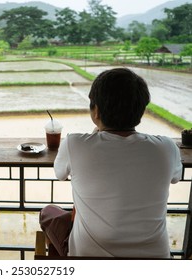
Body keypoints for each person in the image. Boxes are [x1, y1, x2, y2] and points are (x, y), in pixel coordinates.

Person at [39, 68, 182, 258]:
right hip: (155, 260)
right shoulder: (167, 147)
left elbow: (60, 174)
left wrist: (96, 133)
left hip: (89, 257)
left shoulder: (75, 144)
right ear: (141, 111)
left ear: (96, 110)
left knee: (48, 212)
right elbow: (175, 177)